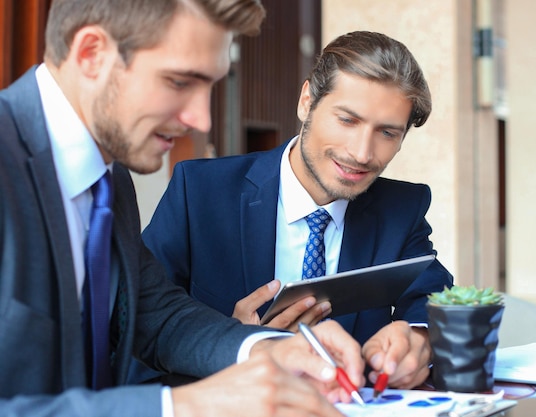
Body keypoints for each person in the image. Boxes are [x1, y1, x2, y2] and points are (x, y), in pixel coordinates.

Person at [0, 1, 370, 416]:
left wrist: (271, 350)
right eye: (179, 82)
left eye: (209, 85)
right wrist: (184, 406)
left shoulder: (110, 180)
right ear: (91, 54)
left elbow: (155, 314)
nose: (201, 119)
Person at [141, 30, 454, 390]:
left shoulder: (401, 209)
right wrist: (234, 345)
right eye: (348, 120)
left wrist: (419, 338)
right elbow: (138, 323)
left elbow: (435, 295)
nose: (362, 153)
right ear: (307, 101)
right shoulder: (199, 192)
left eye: (387, 132)